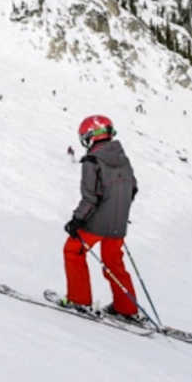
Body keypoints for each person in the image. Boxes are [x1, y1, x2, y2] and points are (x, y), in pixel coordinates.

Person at [59, 115, 140, 320]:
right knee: (113, 262)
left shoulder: (91, 161)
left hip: (96, 223)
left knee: (73, 251)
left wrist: (77, 221)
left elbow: (90, 198)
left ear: (90, 136)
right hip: (118, 224)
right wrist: (118, 212)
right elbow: (132, 189)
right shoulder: (123, 159)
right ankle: (126, 309)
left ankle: (79, 300)